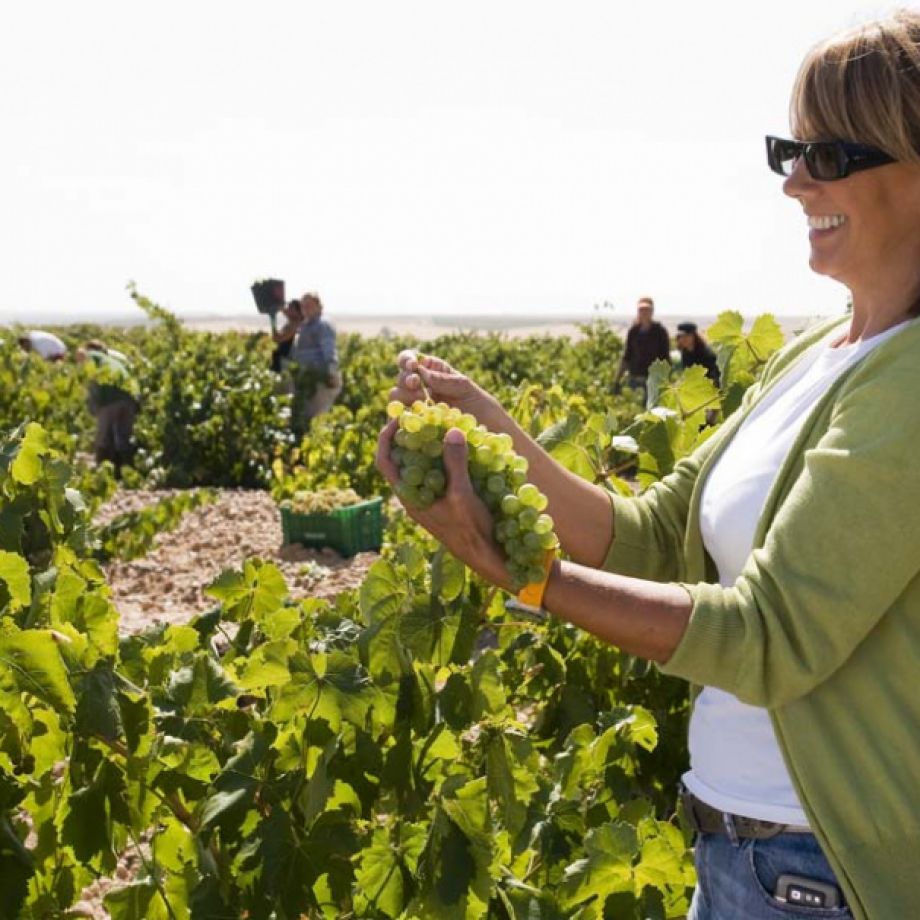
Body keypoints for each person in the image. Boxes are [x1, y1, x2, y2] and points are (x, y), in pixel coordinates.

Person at [377, 10, 920, 918]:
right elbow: (651, 535)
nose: (793, 184)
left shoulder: (908, 384)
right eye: (788, 148)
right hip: (737, 851)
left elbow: (769, 639)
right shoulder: (819, 354)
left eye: (827, 156)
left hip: (819, 874)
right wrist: (493, 426)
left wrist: (531, 578)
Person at [75, 340, 139, 477]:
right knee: (123, 436)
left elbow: (81, 354)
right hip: (130, 397)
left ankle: (103, 474)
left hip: (111, 396)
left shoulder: (92, 355)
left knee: (103, 437)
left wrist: (93, 404)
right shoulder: (115, 359)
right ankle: (125, 471)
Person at [290, 292, 342, 429]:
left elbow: (329, 350)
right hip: (307, 379)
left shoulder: (322, 324)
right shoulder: (306, 326)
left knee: (317, 418)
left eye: (309, 305)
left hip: (320, 380)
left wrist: (331, 373)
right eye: (303, 306)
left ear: (319, 306)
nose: (305, 309)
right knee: (307, 416)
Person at [614, 297, 671, 398]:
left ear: (652, 311)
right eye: (641, 310)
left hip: (653, 380)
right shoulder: (633, 331)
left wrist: (665, 381)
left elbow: (666, 357)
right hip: (635, 379)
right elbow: (627, 356)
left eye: (647, 309)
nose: (644, 312)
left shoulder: (660, 331)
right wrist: (617, 380)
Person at [675, 322, 720, 386]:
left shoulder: (707, 354)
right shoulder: (685, 353)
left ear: (694, 336)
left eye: (687, 335)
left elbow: (715, 378)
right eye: (681, 336)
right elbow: (687, 375)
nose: (683, 339)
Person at [270, 300, 303, 373]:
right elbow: (285, 311)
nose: (288, 310)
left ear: (299, 312)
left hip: (286, 363)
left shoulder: (296, 325)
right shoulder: (292, 322)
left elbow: (277, 339)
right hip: (282, 360)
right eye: (288, 307)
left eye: (291, 308)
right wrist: (278, 306)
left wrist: (272, 320)